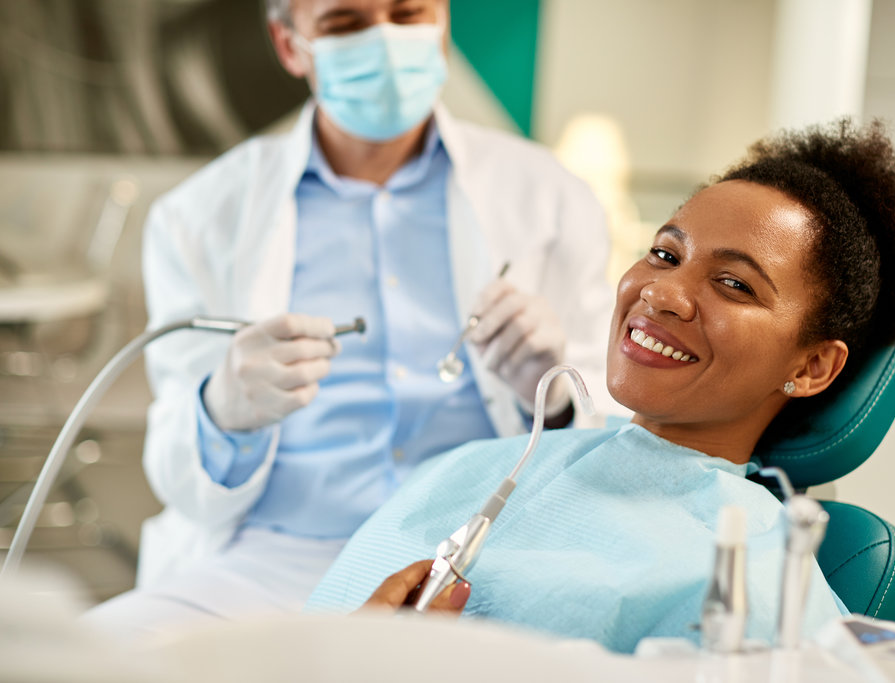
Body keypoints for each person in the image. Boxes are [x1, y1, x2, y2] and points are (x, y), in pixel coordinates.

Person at [304, 119, 895, 653]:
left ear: (810, 368)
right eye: (665, 254)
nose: (662, 293)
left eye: (735, 284)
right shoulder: (484, 465)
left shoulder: (753, 583)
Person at [85, 0, 615, 639]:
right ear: (289, 45)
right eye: (345, 24)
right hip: (274, 565)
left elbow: (610, 438)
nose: (386, 42)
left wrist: (552, 394)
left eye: (408, 13)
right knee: (82, 659)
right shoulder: (198, 217)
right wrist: (222, 408)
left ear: (443, 20)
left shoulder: (552, 198)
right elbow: (175, 472)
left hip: (472, 561)